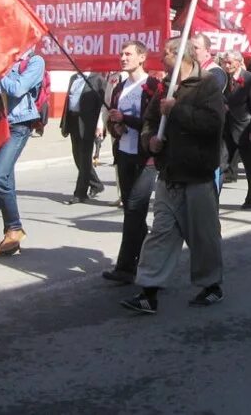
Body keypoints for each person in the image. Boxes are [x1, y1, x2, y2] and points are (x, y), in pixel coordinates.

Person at [121, 38, 225, 315]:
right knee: (161, 233)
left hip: (198, 174)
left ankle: (211, 285)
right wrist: (149, 139)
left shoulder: (207, 84)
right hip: (169, 174)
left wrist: (177, 110)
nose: (162, 55)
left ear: (183, 55)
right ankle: (148, 292)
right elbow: (151, 120)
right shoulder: (166, 86)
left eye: (167, 51)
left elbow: (213, 123)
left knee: (203, 235)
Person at [102, 41, 163, 283]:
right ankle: (149, 260)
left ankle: (127, 267)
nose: (123, 58)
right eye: (121, 54)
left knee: (135, 210)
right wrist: (116, 126)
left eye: (128, 54)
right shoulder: (120, 87)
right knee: (131, 210)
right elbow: (114, 123)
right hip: (124, 155)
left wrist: (125, 118)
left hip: (145, 158)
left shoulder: (152, 87)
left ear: (142, 57)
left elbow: (154, 125)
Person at [0, 49, 46, 257]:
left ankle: (15, 227)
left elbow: (19, 89)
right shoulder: (2, 58)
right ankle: (10, 238)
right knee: (7, 179)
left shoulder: (34, 61)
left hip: (19, 124)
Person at [220, 50, 251, 209]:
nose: (226, 65)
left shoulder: (250, 79)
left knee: (249, 165)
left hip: (245, 129)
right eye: (224, 62)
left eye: (229, 62)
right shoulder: (222, 78)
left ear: (238, 62)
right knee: (221, 163)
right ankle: (213, 198)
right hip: (226, 129)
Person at [60, 69, 106, 204]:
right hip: (73, 120)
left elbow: (102, 104)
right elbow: (69, 100)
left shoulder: (98, 79)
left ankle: (80, 193)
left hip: (88, 124)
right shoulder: (74, 78)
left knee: (85, 157)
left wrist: (100, 125)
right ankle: (96, 184)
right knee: (77, 157)